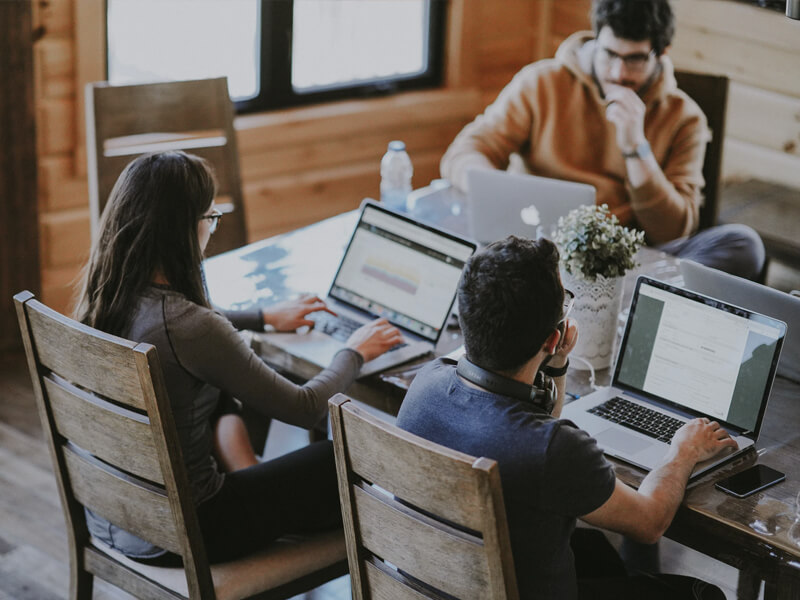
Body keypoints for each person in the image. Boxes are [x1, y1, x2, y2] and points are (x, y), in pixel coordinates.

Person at [75, 150, 403, 565]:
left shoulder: (109, 295)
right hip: (192, 529)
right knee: (338, 457)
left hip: (114, 514)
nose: (212, 229)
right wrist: (354, 350)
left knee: (220, 386)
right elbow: (303, 408)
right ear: (184, 229)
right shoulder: (189, 327)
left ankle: (249, 471)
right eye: (210, 219)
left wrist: (262, 317)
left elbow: (188, 329)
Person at [396, 236, 733, 599]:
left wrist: (555, 365)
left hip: (434, 584)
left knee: (597, 554)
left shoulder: (424, 386)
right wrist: (683, 451)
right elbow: (649, 522)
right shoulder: (554, 449)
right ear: (553, 337)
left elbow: (536, 424)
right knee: (702, 594)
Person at [441, 0, 764, 281]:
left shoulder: (685, 118)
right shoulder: (541, 82)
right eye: (609, 53)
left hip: (628, 261)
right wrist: (498, 194)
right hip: (536, 247)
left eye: (635, 59)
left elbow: (674, 231)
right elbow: (464, 153)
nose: (618, 72)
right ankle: (610, 300)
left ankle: (617, 299)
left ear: (661, 53)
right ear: (596, 38)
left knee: (743, 244)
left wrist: (636, 147)